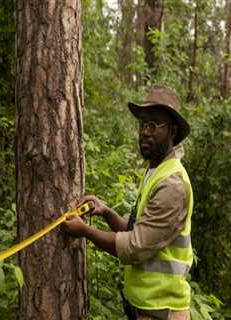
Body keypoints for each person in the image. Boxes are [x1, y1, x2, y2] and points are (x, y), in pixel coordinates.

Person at [63, 85, 193, 320]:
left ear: (172, 131)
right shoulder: (155, 172)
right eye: (143, 124)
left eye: (154, 125)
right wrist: (106, 211)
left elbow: (135, 246)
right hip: (147, 310)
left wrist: (84, 231)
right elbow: (137, 231)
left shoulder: (172, 184)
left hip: (162, 312)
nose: (145, 132)